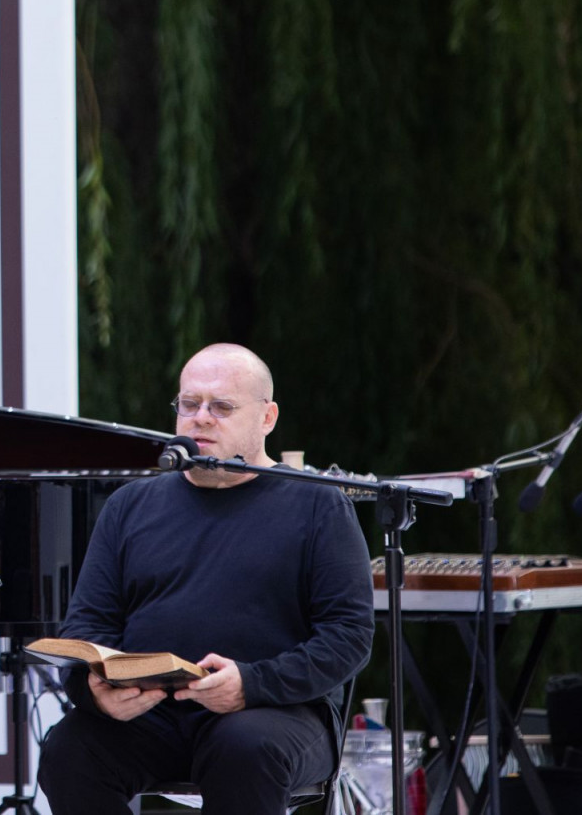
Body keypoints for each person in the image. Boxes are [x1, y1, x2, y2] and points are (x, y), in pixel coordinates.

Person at [37, 344, 374, 814]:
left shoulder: (317, 504)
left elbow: (349, 637)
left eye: (221, 407)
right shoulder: (129, 506)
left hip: (276, 711)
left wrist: (251, 684)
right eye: (189, 404)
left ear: (267, 417)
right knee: (69, 750)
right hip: (153, 715)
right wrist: (94, 694)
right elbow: (87, 625)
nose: (201, 419)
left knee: (244, 747)